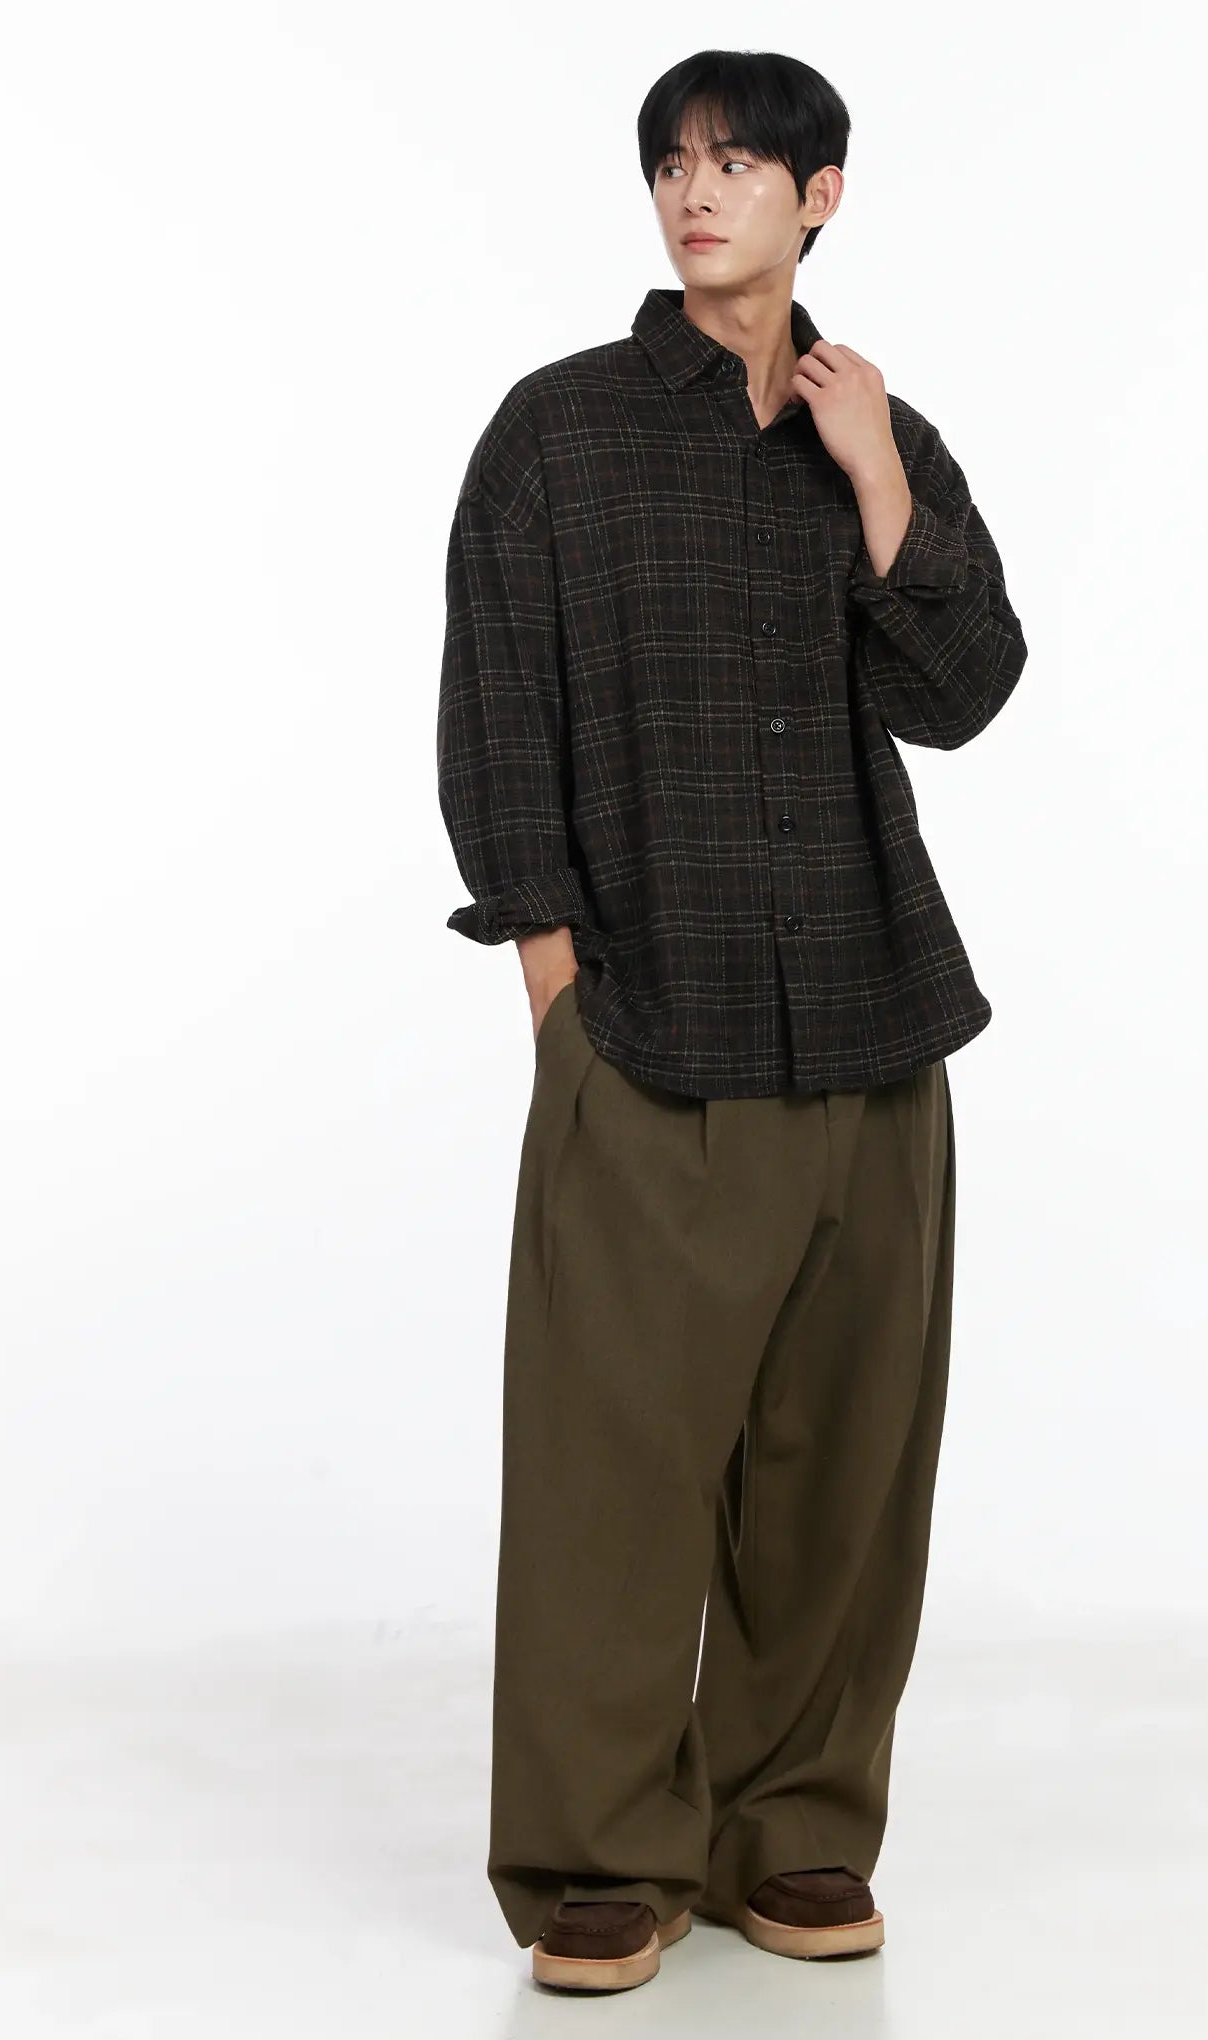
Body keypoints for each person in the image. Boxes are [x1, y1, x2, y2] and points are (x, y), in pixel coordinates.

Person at [436, 48, 1027, 1993]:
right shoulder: (561, 434)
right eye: (674, 165)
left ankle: (795, 1830)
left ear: (819, 195)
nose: (698, 194)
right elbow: (497, 712)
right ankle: (602, 1855)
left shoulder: (877, 432)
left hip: (873, 1019)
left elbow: (965, 688)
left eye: (740, 164)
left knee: (842, 1473)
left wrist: (877, 482)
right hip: (650, 1025)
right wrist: (558, 995)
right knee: (612, 1469)